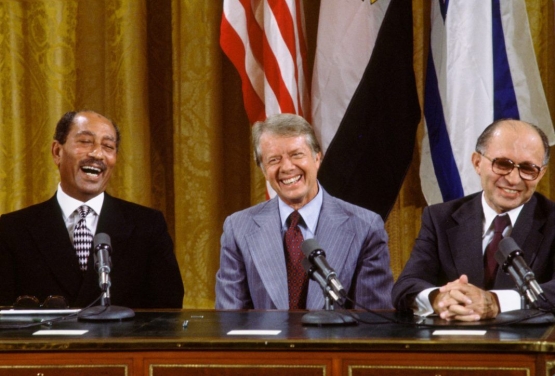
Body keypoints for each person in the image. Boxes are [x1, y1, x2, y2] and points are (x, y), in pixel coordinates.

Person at [0, 110, 184, 308]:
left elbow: (168, 311)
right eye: (85, 142)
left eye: (108, 146)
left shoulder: (147, 226)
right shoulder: (12, 229)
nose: (97, 154)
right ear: (57, 152)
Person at [215, 113, 394, 310]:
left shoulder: (365, 227)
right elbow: (229, 321)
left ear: (317, 158)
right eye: (274, 160)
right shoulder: (238, 228)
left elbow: (372, 323)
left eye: (296, 154)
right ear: (264, 170)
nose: (287, 167)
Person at [392, 118, 555, 321]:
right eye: (503, 164)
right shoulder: (440, 218)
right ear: (477, 163)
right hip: (455, 347)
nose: (514, 179)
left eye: (528, 169)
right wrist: (439, 299)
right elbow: (406, 285)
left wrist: (495, 303)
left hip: (529, 347)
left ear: (541, 173)